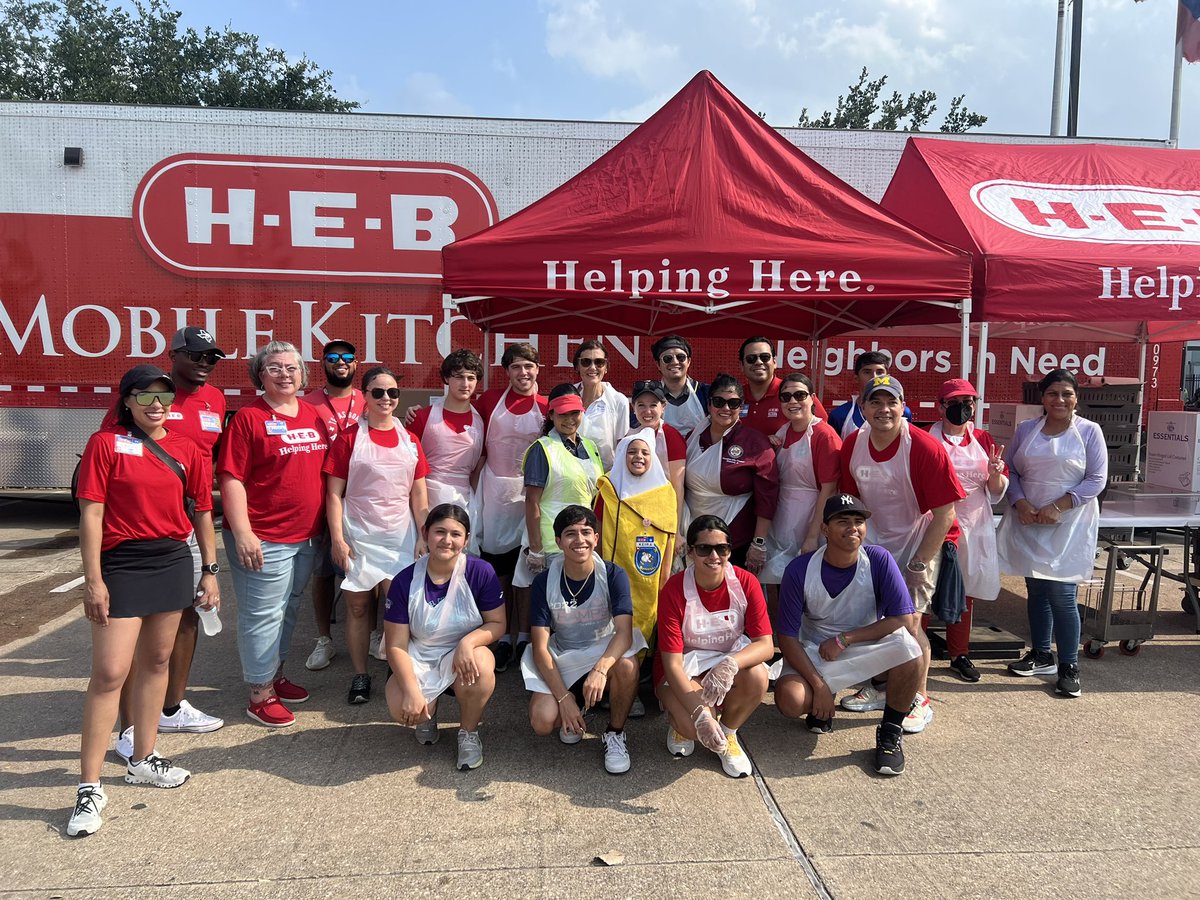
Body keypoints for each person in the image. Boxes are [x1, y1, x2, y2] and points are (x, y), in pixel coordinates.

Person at [68, 364, 218, 836]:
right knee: (110, 673)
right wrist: (93, 580)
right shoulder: (104, 444)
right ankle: (88, 787)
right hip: (123, 564)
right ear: (127, 401)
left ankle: (142, 758)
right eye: (146, 396)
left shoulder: (189, 449)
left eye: (164, 397)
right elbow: (91, 515)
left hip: (173, 560)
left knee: (157, 662)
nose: (157, 405)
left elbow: (202, 510)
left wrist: (210, 570)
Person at [114, 327, 227, 760]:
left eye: (211, 358)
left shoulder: (215, 400)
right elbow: (114, 453)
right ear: (174, 355)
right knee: (136, 630)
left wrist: (211, 561)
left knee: (189, 616)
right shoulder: (150, 394)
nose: (204, 364)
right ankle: (128, 728)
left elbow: (205, 466)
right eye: (196, 356)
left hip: (189, 524)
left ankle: (171, 706)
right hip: (142, 533)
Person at [838, 374, 965, 734]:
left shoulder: (924, 446)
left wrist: (918, 563)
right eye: (875, 402)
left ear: (902, 406)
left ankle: (918, 698)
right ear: (862, 408)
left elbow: (946, 514)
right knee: (873, 617)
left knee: (910, 624)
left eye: (891, 402)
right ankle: (881, 687)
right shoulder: (853, 445)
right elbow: (853, 505)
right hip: (874, 546)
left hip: (918, 541)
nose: (884, 410)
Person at [219, 340, 329, 728]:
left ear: (303, 375)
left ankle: (275, 675)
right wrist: (244, 532)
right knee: (262, 615)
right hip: (263, 535)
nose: (285, 374)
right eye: (275, 368)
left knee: (289, 609)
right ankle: (259, 693)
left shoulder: (312, 415)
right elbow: (231, 478)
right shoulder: (249, 418)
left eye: (292, 368)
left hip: (304, 536)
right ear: (260, 376)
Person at [774, 495, 924, 777]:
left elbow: (902, 618)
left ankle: (890, 734)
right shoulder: (800, 569)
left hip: (863, 646)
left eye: (859, 521)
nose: (853, 528)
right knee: (790, 700)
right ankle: (823, 701)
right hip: (816, 652)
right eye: (843, 521)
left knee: (910, 650)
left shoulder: (879, 560)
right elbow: (787, 638)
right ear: (825, 529)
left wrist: (846, 639)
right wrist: (819, 687)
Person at [997, 368, 1107, 698]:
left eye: (1066, 394)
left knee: (1061, 594)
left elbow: (1096, 478)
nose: (1059, 400)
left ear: (1076, 398)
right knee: (1036, 587)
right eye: (1053, 394)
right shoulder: (1026, 429)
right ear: (1042, 398)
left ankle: (1069, 664)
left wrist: (1059, 505)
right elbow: (1012, 471)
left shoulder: (1090, 432)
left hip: (1069, 524)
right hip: (1030, 521)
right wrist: (1019, 502)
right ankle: (1042, 654)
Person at [324, 366, 430, 704]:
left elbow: (419, 494)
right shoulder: (348, 439)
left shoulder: (411, 439)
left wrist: (423, 534)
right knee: (357, 608)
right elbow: (333, 494)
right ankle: (360, 675)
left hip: (400, 534)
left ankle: (397, 671)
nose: (386, 398)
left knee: (397, 607)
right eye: (378, 392)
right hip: (359, 533)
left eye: (393, 392)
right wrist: (338, 539)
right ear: (364, 396)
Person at [522, 506, 645, 775]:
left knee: (626, 665)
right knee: (542, 722)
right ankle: (576, 707)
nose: (580, 540)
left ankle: (614, 733)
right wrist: (563, 698)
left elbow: (624, 633)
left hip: (603, 649)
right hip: (564, 653)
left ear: (596, 538)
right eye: (570, 534)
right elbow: (540, 647)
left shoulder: (613, 574)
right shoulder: (544, 581)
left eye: (586, 532)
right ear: (558, 541)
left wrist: (600, 670)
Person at [384, 505, 506, 771]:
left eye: (455, 534)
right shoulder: (404, 581)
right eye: (440, 532)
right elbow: (395, 645)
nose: (447, 540)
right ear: (426, 533)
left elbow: (497, 623)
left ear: (466, 539)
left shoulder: (480, 572)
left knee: (483, 665)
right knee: (401, 710)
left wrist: (468, 642)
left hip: (462, 656)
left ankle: (469, 733)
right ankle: (429, 710)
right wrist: (412, 691)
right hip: (420, 655)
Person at [655, 515, 774, 778]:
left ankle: (729, 733)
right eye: (704, 548)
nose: (714, 556)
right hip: (685, 667)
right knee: (692, 727)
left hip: (725, 660)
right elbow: (672, 663)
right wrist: (700, 715)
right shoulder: (674, 589)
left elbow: (765, 645)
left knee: (757, 675)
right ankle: (683, 723)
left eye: (722, 548)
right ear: (690, 552)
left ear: (730, 550)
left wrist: (732, 663)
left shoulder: (745, 582)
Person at [474, 342, 549, 671]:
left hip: (533, 494)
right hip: (495, 492)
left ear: (537, 369)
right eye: (516, 367)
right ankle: (502, 637)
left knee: (528, 572)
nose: (523, 373)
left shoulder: (546, 405)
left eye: (529, 366)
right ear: (507, 372)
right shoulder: (490, 401)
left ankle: (528, 639)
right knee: (498, 567)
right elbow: (463, 419)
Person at [929, 378, 1009, 683]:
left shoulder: (984, 439)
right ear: (941, 407)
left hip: (973, 522)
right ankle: (915, 650)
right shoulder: (927, 438)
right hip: (935, 520)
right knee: (926, 585)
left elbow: (997, 489)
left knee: (966, 588)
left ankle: (959, 653)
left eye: (968, 402)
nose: (963, 408)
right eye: (954, 403)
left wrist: (995, 474)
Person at [303, 339, 367, 672]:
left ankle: (370, 636)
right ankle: (324, 639)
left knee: (367, 569)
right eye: (333, 357)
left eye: (347, 357)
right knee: (323, 571)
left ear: (356, 364)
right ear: (323, 363)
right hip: (321, 498)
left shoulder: (368, 399)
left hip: (362, 499)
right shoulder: (308, 403)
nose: (341, 362)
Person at [683, 373, 778, 574]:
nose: (726, 408)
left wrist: (759, 543)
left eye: (733, 403)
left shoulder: (755, 443)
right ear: (709, 404)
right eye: (719, 402)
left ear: (741, 406)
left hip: (736, 541)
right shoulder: (694, 437)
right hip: (693, 536)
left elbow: (767, 496)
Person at [513, 385, 604, 594]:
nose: (569, 419)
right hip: (552, 544)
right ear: (551, 415)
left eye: (574, 413)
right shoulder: (541, 448)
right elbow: (532, 501)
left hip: (582, 541)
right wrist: (536, 549)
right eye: (563, 414)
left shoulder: (591, 447)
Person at [595, 428, 678, 646]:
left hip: (649, 571)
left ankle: (643, 662)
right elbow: (597, 528)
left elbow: (669, 538)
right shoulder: (609, 488)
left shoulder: (665, 492)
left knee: (647, 613)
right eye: (632, 452)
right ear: (623, 455)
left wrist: (665, 579)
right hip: (612, 567)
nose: (638, 456)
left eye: (645, 452)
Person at [760, 373, 843, 590]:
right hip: (782, 519)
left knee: (806, 585)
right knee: (776, 579)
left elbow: (829, 489)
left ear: (812, 398)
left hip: (810, 518)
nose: (793, 402)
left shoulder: (824, 435)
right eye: (786, 397)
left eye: (800, 395)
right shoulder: (784, 431)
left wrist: (813, 535)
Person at [408, 348, 486, 552]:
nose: (466, 384)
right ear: (446, 379)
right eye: (459, 377)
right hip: (426, 498)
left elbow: (478, 469)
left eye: (471, 377)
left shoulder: (482, 421)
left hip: (466, 501)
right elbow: (407, 465)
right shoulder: (421, 417)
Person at [629, 379, 688, 557]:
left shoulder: (671, 437)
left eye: (653, 405)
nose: (647, 411)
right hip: (637, 515)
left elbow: (678, 487)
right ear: (633, 407)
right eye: (641, 405)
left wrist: (676, 532)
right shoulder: (630, 436)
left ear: (664, 406)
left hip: (665, 515)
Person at [737, 336, 828, 435]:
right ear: (741, 365)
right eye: (751, 358)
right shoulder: (735, 397)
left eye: (765, 357)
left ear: (775, 362)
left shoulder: (794, 392)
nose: (759, 362)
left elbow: (821, 429)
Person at [827, 351, 913, 439]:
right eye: (867, 372)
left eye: (880, 372)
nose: (874, 377)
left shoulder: (902, 412)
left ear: (888, 377)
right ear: (856, 378)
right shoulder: (840, 415)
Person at [573, 339, 630, 472]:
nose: (593, 367)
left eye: (599, 362)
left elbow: (622, 447)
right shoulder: (567, 396)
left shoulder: (619, 401)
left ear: (606, 368)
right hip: (571, 477)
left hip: (606, 478)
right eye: (586, 362)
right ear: (577, 366)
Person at [652, 334, 708, 436]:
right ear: (658, 365)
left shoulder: (706, 393)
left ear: (689, 361)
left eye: (681, 357)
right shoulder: (650, 395)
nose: (675, 362)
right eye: (667, 358)